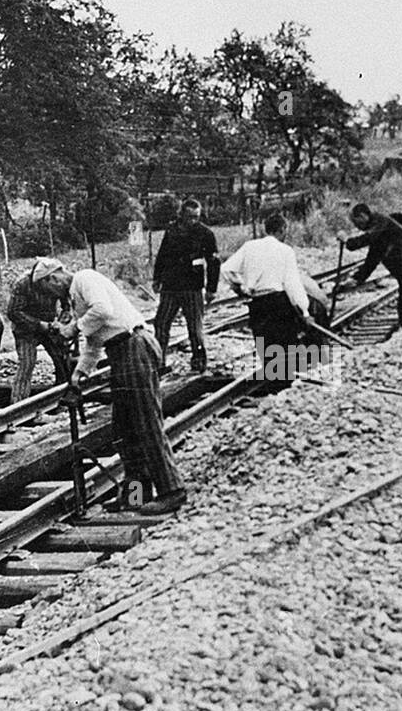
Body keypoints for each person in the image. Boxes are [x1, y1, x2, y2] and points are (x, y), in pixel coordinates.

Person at [34, 262, 186, 516]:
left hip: (134, 345)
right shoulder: (76, 299)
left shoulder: (84, 278)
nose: (52, 296)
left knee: (146, 422)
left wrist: (73, 328)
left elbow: (102, 311)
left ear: (54, 277)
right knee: (125, 429)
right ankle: (138, 495)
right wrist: (78, 375)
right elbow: (94, 343)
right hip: (120, 352)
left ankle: (173, 490)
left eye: (48, 288)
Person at [220, 212, 314, 387]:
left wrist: (240, 289)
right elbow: (292, 284)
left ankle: (273, 383)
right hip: (278, 301)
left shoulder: (249, 247)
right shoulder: (285, 251)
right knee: (285, 343)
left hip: (257, 303)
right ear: (282, 229)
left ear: (266, 229)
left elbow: (226, 270)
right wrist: (305, 311)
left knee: (265, 342)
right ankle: (285, 386)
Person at [343, 203, 402, 348]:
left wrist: (347, 241)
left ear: (363, 216)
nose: (357, 227)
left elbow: (366, 239)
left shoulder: (381, 222)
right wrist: (357, 279)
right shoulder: (379, 229)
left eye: (357, 223)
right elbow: (373, 258)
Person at [152, 198, 220, 374]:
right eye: (189, 217)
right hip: (170, 286)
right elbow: (162, 256)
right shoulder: (172, 231)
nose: (192, 221)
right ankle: (159, 363)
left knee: (194, 327)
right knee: (161, 323)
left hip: (192, 287)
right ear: (181, 214)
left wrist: (212, 289)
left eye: (196, 217)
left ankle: (199, 362)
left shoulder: (205, 234)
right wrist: (157, 278)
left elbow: (214, 262)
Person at [8, 259, 72, 401]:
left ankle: (64, 396)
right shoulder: (23, 284)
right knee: (26, 363)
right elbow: (13, 312)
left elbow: (67, 307)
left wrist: (61, 323)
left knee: (62, 359)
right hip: (26, 329)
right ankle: (18, 403)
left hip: (50, 326)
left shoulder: (59, 282)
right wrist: (38, 324)